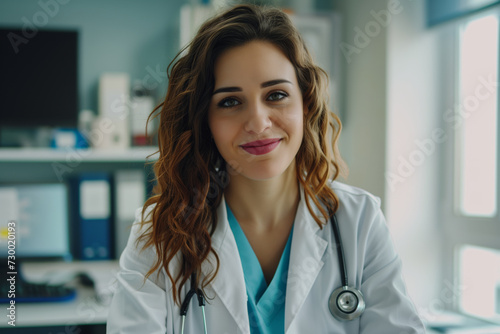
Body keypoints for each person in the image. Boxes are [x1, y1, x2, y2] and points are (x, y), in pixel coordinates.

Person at [107, 4, 425, 334]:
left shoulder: (358, 222)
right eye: (230, 101)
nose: (258, 123)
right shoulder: (158, 235)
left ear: (306, 103)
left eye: (276, 95)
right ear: (205, 120)